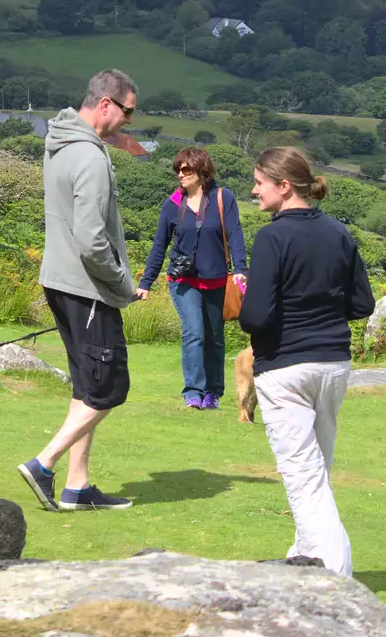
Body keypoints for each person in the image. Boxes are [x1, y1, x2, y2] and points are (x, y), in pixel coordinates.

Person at [237, 147, 375, 576]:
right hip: (333, 364)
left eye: (260, 183)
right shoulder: (338, 232)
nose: (254, 190)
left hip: (285, 367)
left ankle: (336, 576)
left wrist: (249, 312)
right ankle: (303, 558)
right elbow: (362, 303)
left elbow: (256, 316)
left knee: (302, 475)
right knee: (317, 470)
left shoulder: (272, 238)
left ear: (283, 186)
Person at [18, 69, 139, 512]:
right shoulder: (89, 157)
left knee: (86, 386)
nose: (129, 120)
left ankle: (78, 487)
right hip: (88, 289)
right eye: (127, 110)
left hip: (60, 281)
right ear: (105, 104)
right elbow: (92, 241)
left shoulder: (60, 143)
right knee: (110, 388)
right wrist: (122, 284)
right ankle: (44, 464)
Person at [137, 148, 248, 410]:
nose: (180, 174)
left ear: (201, 171)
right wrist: (145, 283)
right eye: (178, 169)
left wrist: (242, 267)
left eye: (186, 169)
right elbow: (159, 245)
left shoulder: (223, 198)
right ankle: (193, 392)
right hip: (183, 282)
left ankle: (213, 393)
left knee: (215, 337)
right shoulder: (173, 204)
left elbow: (235, 234)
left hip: (217, 280)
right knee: (194, 333)